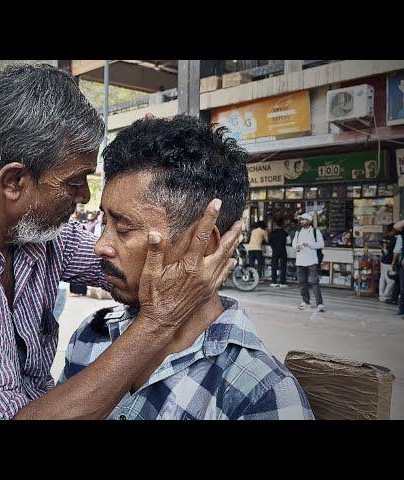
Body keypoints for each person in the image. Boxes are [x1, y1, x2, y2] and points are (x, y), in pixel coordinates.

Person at [0, 64, 241, 420]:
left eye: (120, 225)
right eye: (75, 182)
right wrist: (159, 321)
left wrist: (184, 239)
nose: (84, 198)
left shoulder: (34, 230)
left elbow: (123, 263)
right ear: (14, 182)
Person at [59, 115, 313, 420]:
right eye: (105, 221)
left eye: (124, 227)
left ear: (204, 243)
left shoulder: (259, 394)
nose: (100, 245)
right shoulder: (93, 335)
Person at [292, 212, 325, 311]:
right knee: (302, 282)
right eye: (300, 220)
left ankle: (319, 304)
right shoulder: (298, 232)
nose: (301, 221)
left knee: (315, 282)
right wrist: (296, 246)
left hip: (311, 261)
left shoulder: (315, 231)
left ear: (309, 221)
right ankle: (305, 301)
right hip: (300, 261)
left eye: (303, 219)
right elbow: (294, 243)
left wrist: (309, 244)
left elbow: (321, 244)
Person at [269, 218, 289, 287]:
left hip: (275, 251)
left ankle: (274, 282)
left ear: (275, 225)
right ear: (282, 225)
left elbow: (270, 242)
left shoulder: (272, 233)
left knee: (274, 266)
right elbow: (289, 242)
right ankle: (282, 282)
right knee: (283, 266)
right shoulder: (285, 233)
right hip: (283, 250)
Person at [379, 225, 397, 302]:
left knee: (382, 279)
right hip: (389, 262)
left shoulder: (383, 238)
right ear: (393, 229)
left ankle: (381, 295)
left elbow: (381, 248)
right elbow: (395, 252)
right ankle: (386, 296)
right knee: (391, 281)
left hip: (383, 261)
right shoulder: (394, 239)